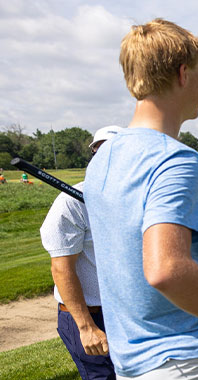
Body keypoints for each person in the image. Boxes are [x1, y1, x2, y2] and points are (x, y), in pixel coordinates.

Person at [83, 19, 198, 378]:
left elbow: (133, 262)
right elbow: (166, 270)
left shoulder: (102, 159)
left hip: (134, 363)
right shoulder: (174, 158)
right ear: (183, 74)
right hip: (186, 358)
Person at [41, 126, 122, 380]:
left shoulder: (132, 198)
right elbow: (61, 268)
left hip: (123, 312)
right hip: (88, 316)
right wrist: (86, 327)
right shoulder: (71, 202)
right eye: (99, 150)